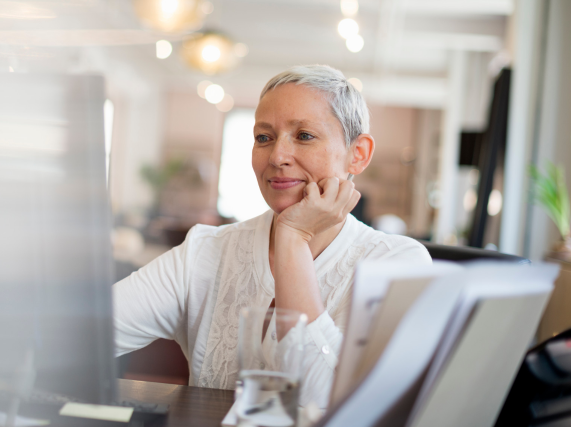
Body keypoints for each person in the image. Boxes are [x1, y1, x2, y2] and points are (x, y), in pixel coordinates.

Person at [114, 64, 432, 410]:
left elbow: (319, 406)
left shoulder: (400, 265)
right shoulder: (206, 250)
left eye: (304, 136)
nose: (277, 157)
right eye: (263, 137)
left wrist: (293, 237)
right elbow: (86, 332)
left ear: (358, 154)